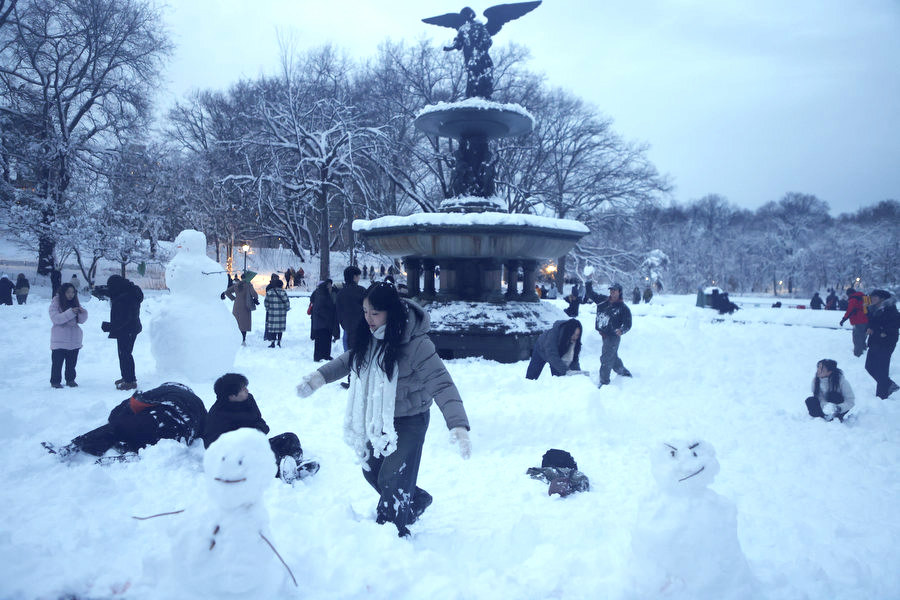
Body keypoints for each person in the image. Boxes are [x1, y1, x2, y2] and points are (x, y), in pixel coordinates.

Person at [296, 282, 471, 537]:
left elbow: (441, 383)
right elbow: (350, 359)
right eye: (365, 311)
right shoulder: (371, 336)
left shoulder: (417, 344)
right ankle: (415, 499)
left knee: (393, 476)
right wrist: (318, 377)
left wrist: (458, 424)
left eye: (375, 313)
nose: (368, 318)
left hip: (411, 420)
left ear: (391, 312)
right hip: (379, 417)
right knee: (371, 470)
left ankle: (388, 533)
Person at [42, 383, 207, 461]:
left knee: (118, 427)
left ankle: (74, 446)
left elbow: (134, 403)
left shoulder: (165, 391)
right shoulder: (199, 404)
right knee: (147, 434)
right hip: (178, 437)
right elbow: (205, 429)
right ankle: (131, 453)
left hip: (159, 420)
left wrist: (118, 418)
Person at [203, 373, 318, 484]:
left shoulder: (248, 399)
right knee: (266, 451)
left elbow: (259, 421)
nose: (247, 390)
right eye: (243, 389)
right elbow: (213, 448)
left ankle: (295, 464)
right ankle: (281, 472)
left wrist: (257, 432)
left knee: (289, 438)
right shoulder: (216, 417)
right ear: (232, 396)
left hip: (254, 443)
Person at [94, 274, 144, 391]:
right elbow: (114, 293)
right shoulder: (127, 291)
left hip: (128, 330)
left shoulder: (126, 298)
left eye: (110, 286)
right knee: (123, 354)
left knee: (125, 354)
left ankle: (130, 381)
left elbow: (124, 319)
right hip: (128, 329)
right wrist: (102, 291)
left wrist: (108, 327)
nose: (110, 289)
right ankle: (126, 377)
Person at [586, 283, 633, 387]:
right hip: (604, 335)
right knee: (612, 357)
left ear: (619, 292)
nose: (612, 292)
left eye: (614, 290)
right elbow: (590, 293)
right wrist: (588, 281)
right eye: (611, 290)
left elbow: (628, 324)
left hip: (613, 337)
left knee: (606, 359)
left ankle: (604, 381)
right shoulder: (603, 301)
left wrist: (622, 330)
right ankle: (622, 371)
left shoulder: (623, 308)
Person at [49, 282, 88, 388]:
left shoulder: (75, 302)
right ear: (63, 293)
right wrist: (71, 312)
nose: (71, 295)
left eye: (73, 292)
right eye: (68, 292)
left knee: (71, 363)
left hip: (74, 339)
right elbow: (56, 319)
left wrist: (82, 313)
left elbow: (81, 321)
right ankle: (55, 381)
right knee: (57, 363)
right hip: (59, 339)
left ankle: (70, 379)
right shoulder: (56, 302)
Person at [864, 289, 899, 399]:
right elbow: (870, 322)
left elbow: (894, 325)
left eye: (875, 297)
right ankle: (889, 385)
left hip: (886, 342)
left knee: (882, 369)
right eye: (872, 297)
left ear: (882, 299)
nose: (872, 299)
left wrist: (882, 331)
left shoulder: (891, 309)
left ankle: (882, 396)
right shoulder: (873, 308)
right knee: (869, 366)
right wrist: (869, 327)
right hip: (874, 341)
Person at [336, 266, 366, 353]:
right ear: (354, 277)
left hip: (347, 329)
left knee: (348, 355)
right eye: (358, 276)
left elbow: (338, 312)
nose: (359, 278)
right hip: (361, 330)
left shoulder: (340, 293)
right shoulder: (361, 291)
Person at [223, 272, 259, 345]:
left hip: (236, 305)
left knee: (237, 323)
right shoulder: (248, 285)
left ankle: (236, 339)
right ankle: (243, 340)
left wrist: (234, 298)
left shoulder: (236, 285)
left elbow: (227, 292)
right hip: (246, 306)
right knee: (244, 324)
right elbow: (255, 295)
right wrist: (255, 297)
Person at [309, 279, 339, 362]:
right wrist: (328, 316)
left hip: (322, 322)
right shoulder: (322, 295)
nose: (330, 288)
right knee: (321, 340)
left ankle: (325, 355)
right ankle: (319, 356)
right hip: (323, 322)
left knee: (326, 339)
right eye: (328, 286)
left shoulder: (321, 294)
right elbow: (319, 309)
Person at [839, 287, 869, 357]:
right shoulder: (865, 297)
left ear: (850, 293)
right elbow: (870, 308)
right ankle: (864, 350)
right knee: (863, 336)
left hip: (858, 321)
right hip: (867, 320)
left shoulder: (853, 299)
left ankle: (857, 354)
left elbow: (850, 310)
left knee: (857, 338)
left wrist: (843, 319)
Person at [263, 276, 290, 348]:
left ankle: (272, 342)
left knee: (272, 328)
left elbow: (266, 302)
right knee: (280, 328)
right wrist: (286, 309)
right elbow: (287, 302)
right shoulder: (283, 292)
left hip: (272, 313)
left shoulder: (269, 292)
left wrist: (268, 309)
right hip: (281, 314)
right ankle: (279, 342)